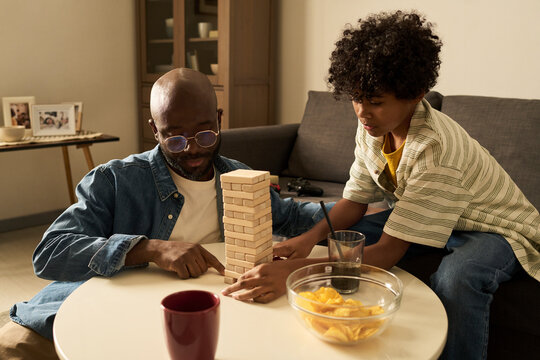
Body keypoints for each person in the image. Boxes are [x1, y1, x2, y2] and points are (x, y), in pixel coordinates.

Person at [222, 10, 540, 360]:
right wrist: (306, 241)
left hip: (494, 230)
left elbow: (389, 252)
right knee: (343, 239)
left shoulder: (435, 151)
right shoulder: (373, 127)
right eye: (357, 98)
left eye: (375, 102)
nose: (362, 112)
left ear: (416, 93)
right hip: (438, 219)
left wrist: (294, 272)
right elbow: (355, 202)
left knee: (458, 278)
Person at [0, 68, 324, 359]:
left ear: (220, 119)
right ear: (155, 130)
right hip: (110, 310)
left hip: (214, 319)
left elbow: (297, 218)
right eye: (175, 137)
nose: (192, 149)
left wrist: (360, 207)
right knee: (10, 348)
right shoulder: (115, 180)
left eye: (205, 133)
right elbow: (50, 252)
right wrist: (148, 249)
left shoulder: (238, 177)